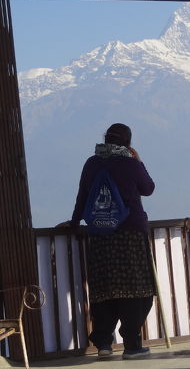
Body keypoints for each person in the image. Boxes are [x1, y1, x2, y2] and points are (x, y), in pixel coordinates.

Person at [66, 123, 155, 360]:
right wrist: (138, 161)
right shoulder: (130, 163)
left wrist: (75, 223)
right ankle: (132, 344)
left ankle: (104, 343)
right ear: (127, 142)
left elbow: (83, 195)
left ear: (105, 140)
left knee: (104, 290)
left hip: (100, 235)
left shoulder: (92, 163)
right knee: (136, 290)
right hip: (130, 235)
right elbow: (148, 188)